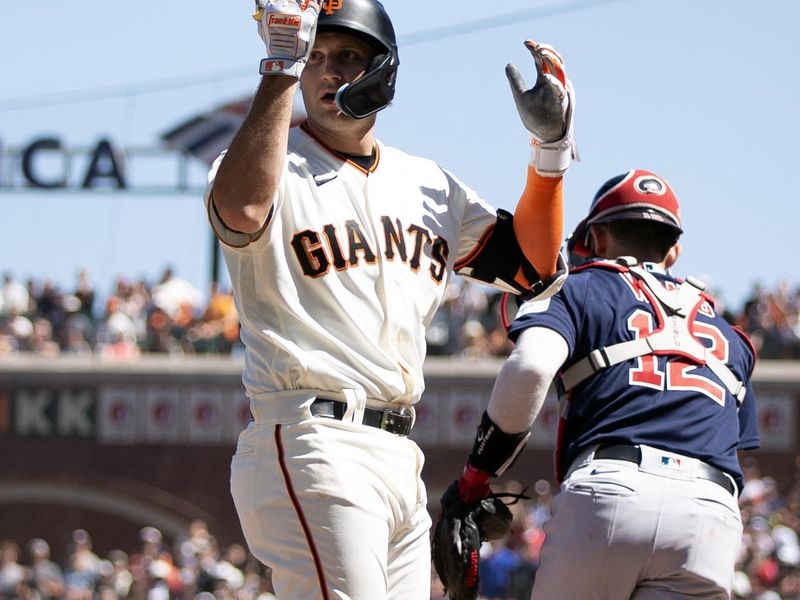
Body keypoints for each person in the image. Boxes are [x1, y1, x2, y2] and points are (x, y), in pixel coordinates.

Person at [206, 0, 577, 597]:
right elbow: (242, 210)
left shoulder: (428, 183)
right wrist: (278, 67)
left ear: (385, 71)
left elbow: (533, 267)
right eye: (316, 56)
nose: (326, 70)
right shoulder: (266, 164)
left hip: (399, 456)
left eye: (348, 56)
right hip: (311, 436)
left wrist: (550, 152)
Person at [445, 168, 760, 599]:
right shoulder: (731, 335)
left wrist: (474, 479)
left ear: (598, 239)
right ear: (674, 252)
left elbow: (531, 368)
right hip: (709, 513)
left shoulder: (580, 288)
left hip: (612, 489)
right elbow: (735, 449)